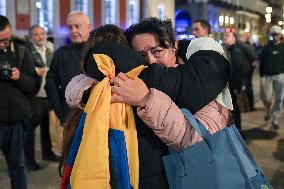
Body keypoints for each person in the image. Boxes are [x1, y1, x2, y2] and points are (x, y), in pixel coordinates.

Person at [64, 18, 232, 189]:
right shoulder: (128, 83)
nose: (151, 61)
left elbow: (199, 142)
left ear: (174, 48)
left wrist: (147, 100)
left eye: (157, 51)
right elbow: (77, 84)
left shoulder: (204, 83)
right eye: (141, 56)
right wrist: (89, 90)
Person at [0, 15, 40, 189]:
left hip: (14, 120)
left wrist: (19, 77)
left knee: (18, 166)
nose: (3, 44)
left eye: (6, 40)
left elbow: (33, 85)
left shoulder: (22, 51)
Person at [45, 11, 91, 124]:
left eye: (77, 26)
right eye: (70, 27)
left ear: (89, 27)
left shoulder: (98, 52)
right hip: (69, 117)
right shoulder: (61, 53)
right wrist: (60, 110)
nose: (73, 30)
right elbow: (50, 83)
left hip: (95, 116)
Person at [24, 25, 57, 171]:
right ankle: (29, 160)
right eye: (36, 34)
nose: (40, 37)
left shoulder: (49, 50)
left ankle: (47, 153)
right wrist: (36, 71)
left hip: (47, 94)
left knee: (45, 126)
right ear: (31, 37)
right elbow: (24, 70)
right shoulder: (27, 52)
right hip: (34, 95)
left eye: (42, 33)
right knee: (30, 129)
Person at [223, 32, 249, 131]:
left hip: (233, 85)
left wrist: (237, 87)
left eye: (227, 35)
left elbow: (238, 70)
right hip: (231, 84)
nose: (225, 37)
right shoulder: (229, 50)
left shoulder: (235, 51)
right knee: (233, 107)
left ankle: (238, 130)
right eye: (225, 35)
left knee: (234, 108)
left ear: (234, 38)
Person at [259, 25, 284, 130]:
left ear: (280, 35)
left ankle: (275, 118)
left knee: (279, 98)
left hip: (280, 76)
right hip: (266, 76)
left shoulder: (283, 47)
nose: (275, 37)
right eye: (273, 35)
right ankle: (268, 110)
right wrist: (261, 75)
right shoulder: (266, 47)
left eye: (277, 34)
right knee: (266, 97)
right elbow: (262, 61)